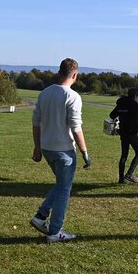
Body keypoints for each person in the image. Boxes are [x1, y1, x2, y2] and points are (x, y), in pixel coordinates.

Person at [29, 58, 92, 243]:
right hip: (64, 151)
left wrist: (37, 146)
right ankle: (55, 231)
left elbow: (35, 123)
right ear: (74, 75)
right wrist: (84, 152)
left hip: (47, 148)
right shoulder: (73, 96)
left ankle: (41, 216)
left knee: (62, 184)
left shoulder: (45, 93)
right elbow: (76, 127)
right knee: (64, 190)